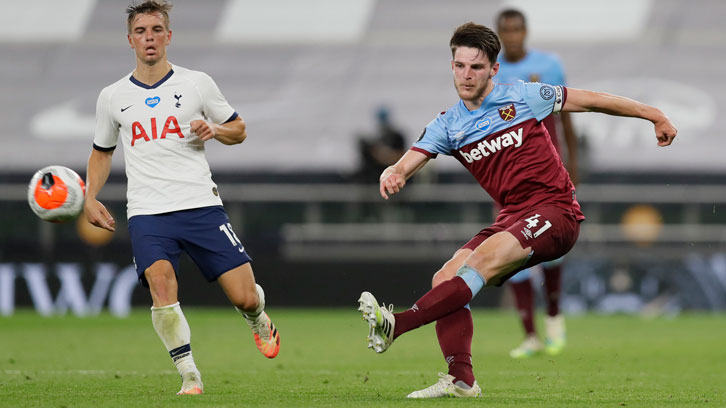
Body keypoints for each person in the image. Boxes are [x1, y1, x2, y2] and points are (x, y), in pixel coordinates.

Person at [358, 22, 676, 399]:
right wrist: (394, 172)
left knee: (477, 265)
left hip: (556, 211)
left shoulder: (523, 96)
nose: (466, 75)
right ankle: (462, 380)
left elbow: (591, 100)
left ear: (494, 69)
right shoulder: (449, 124)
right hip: (512, 217)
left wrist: (653, 113)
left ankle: (397, 324)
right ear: (452, 66)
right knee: (445, 277)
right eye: (460, 66)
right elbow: (410, 159)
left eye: (476, 67)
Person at [84, 0, 280, 395]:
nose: (149, 38)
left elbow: (238, 129)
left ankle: (257, 316)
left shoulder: (196, 83)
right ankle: (189, 374)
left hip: (200, 205)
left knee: (243, 297)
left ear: (169, 36)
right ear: (130, 40)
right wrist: (90, 196)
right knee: (161, 284)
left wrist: (214, 130)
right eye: (141, 32)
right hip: (148, 211)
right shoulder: (113, 96)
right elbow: (102, 151)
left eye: (156, 30)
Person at [495, 8, 578, 358]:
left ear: (525, 31)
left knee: (553, 252)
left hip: (548, 174)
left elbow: (568, 112)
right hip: (510, 178)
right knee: (509, 252)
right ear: (499, 34)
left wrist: (573, 161)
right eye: (506, 31)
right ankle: (530, 335)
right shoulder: (490, 71)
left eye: (517, 29)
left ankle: (555, 321)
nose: (512, 36)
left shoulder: (549, 65)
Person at [354, 106, 407, 183]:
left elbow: (400, 157)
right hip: (375, 178)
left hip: (393, 179)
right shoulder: (378, 138)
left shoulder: (396, 137)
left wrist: (384, 155)